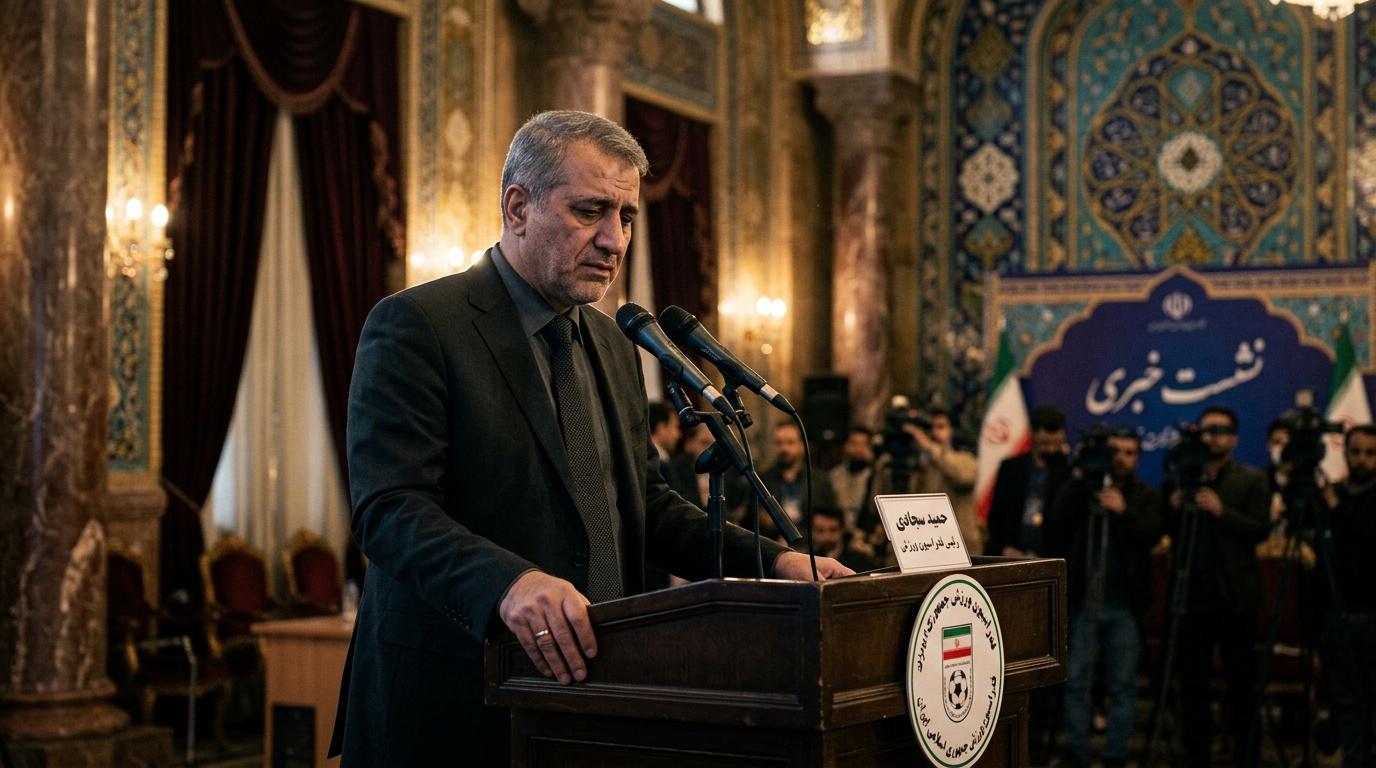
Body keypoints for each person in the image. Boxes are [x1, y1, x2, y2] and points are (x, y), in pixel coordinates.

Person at [330, 111, 852, 765]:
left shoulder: (613, 342)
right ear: (518, 208)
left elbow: (648, 505)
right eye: (590, 211)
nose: (615, 239)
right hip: (454, 699)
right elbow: (390, 509)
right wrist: (511, 584)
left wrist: (775, 564)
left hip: (596, 696)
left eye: (627, 216)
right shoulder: (418, 326)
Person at [1047, 428, 1161, 768]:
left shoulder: (1144, 495)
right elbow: (1056, 523)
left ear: (1138, 458)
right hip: (1084, 603)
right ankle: (1077, 750)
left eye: (1129, 452)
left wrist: (1123, 512)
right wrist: (1080, 480)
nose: (1121, 458)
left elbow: (1151, 536)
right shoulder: (1082, 488)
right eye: (1115, 451)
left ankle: (1115, 754)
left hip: (1124, 604)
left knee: (1123, 685)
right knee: (1077, 680)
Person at [1165, 406, 1271, 768]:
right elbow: (1165, 531)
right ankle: (1196, 755)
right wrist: (1175, 507)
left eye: (1222, 430)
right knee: (1193, 684)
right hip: (1192, 596)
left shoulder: (1252, 479)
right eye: (1207, 430)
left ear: (1235, 438)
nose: (1214, 436)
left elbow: (1260, 529)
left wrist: (1222, 511)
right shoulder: (1182, 477)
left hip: (1235, 595)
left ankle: (1245, 755)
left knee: (1241, 684)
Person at [1319, 425, 1376, 768]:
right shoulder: (1331, 495)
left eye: (1370, 453)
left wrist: (1338, 511)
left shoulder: (1344, 501)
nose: (1362, 460)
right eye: (1355, 451)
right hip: (1335, 613)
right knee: (1345, 699)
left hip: (1372, 613)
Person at [872, 407, 983, 555]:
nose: (934, 433)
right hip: (918, 546)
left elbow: (964, 476)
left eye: (940, 427)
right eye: (929, 428)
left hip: (957, 547)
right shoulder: (911, 462)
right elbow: (879, 502)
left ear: (952, 431)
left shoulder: (964, 459)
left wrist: (928, 447)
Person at [985, 405, 1070, 558]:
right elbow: (997, 516)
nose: (1051, 439)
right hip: (1011, 556)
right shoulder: (1011, 468)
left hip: (1051, 560)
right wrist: (1004, 548)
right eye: (1047, 433)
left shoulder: (1068, 472)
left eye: (1056, 433)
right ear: (1034, 433)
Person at [757, 421, 837, 540]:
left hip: (811, 545)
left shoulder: (819, 481)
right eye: (779, 443)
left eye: (790, 442)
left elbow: (831, 516)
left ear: (801, 445)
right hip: (774, 545)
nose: (784, 448)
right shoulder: (763, 478)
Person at [828, 426, 875, 533]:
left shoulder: (875, 477)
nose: (858, 449)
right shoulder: (834, 475)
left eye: (863, 445)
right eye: (854, 444)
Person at [810, 505, 878, 572]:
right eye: (820, 530)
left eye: (833, 530)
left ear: (842, 530)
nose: (826, 536)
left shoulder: (859, 560)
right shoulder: (810, 559)